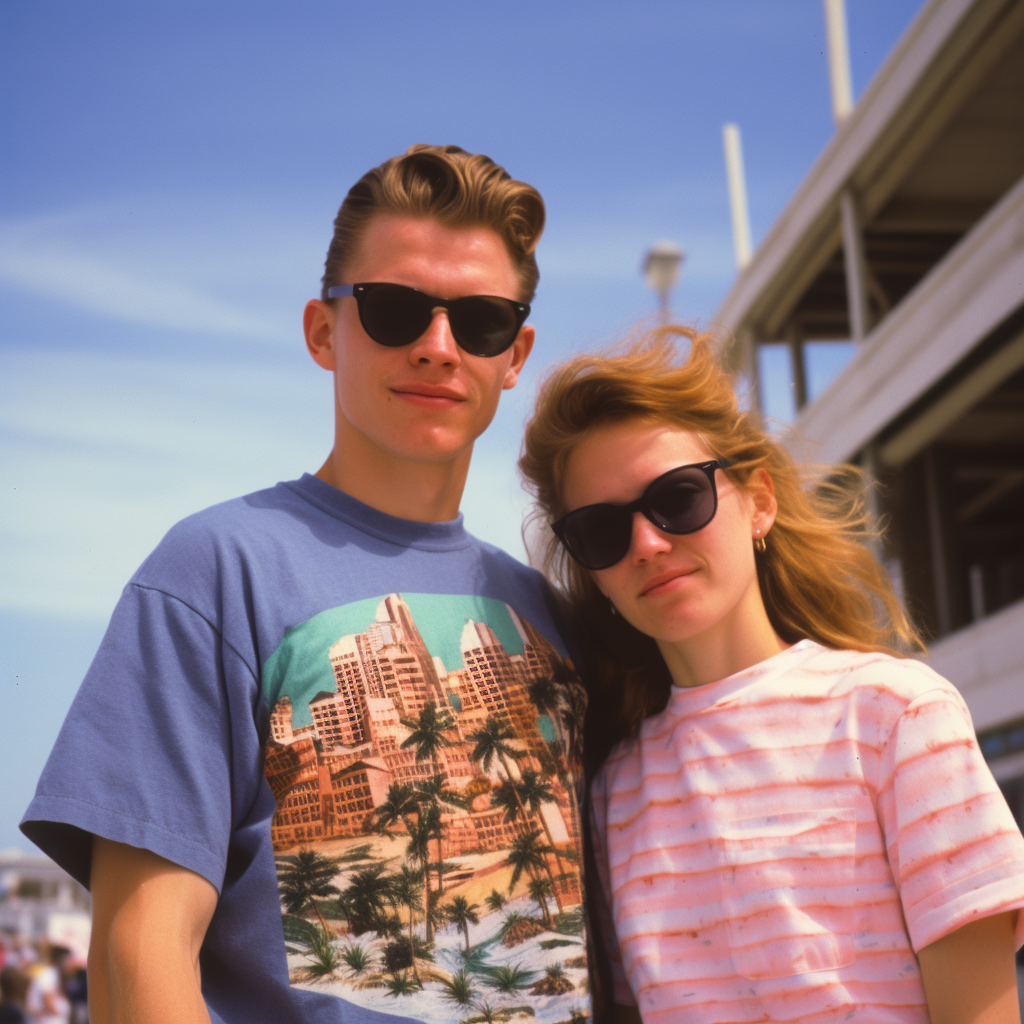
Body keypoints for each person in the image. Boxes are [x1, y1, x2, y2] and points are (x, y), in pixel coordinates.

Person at [22, 145, 592, 1024]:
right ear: (324, 332)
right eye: (395, 309)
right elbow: (141, 949)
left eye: (478, 321)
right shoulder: (215, 570)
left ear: (513, 355)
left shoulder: (555, 616)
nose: (438, 347)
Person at [519, 326, 1024, 1024]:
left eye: (679, 497)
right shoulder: (615, 792)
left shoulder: (897, 717)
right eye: (601, 530)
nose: (647, 543)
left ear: (759, 502)